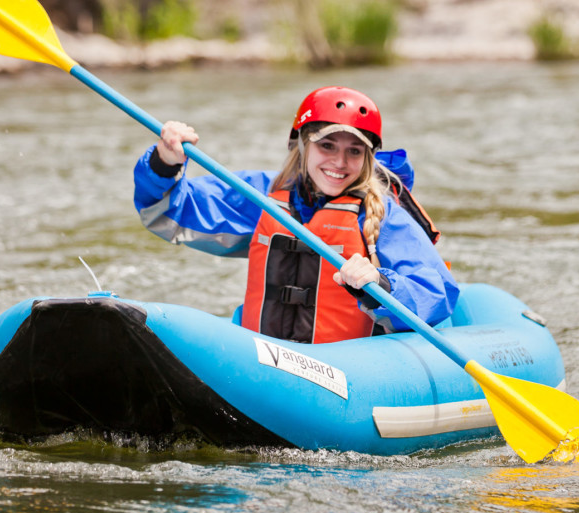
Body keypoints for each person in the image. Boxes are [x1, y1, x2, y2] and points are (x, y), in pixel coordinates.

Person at [133, 86, 459, 344]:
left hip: (349, 369)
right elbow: (170, 212)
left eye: (354, 151)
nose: (339, 163)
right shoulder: (263, 195)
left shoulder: (383, 216)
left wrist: (381, 283)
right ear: (301, 146)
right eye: (327, 146)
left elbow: (435, 292)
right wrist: (165, 162)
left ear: (368, 158)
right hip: (266, 356)